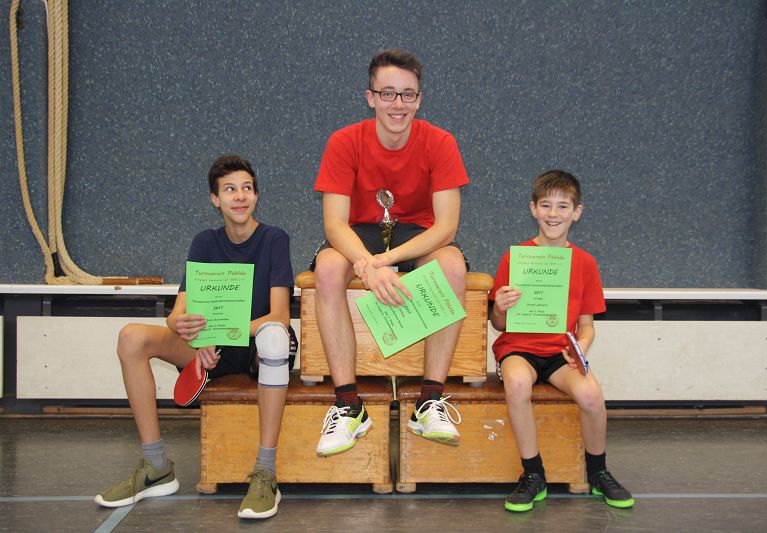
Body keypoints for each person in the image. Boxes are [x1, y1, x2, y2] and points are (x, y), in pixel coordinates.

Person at [95, 155, 295, 520]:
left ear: (256, 195)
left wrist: (221, 334)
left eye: (247, 188)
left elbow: (280, 316)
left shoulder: (274, 239)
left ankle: (266, 472)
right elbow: (177, 314)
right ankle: (156, 467)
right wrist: (191, 332)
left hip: (257, 345)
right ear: (215, 199)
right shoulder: (204, 242)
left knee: (275, 337)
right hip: (210, 349)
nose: (240, 196)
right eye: (230, 189)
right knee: (131, 337)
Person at [311, 49, 470, 456]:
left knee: (453, 266)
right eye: (387, 93)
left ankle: (429, 401)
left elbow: (446, 227)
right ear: (370, 97)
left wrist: (383, 261)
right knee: (327, 269)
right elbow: (334, 224)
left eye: (407, 94)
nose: (397, 104)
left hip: (417, 234)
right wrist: (366, 265)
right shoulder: (344, 142)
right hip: (359, 232)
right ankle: (349, 406)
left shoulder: (441, 142)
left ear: (419, 99)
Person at [489, 170, 634, 511]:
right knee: (517, 384)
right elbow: (498, 324)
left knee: (591, 395)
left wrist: (581, 346)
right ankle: (533, 474)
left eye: (563, 206)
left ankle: (598, 472)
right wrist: (499, 307)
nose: (553, 214)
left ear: (577, 212)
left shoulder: (585, 263)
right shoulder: (515, 258)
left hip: (561, 354)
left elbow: (588, 326)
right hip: (518, 349)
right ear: (533, 209)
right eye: (546, 205)